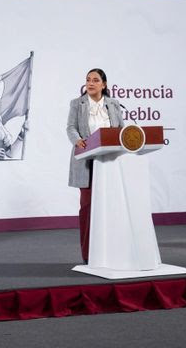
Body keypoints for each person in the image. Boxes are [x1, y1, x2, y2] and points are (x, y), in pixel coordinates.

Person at [66, 68, 124, 264]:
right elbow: (71, 127)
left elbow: (121, 130)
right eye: (88, 80)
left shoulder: (114, 104)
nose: (90, 83)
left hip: (110, 161)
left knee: (111, 207)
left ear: (104, 84)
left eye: (95, 80)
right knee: (88, 208)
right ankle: (89, 255)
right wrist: (77, 140)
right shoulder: (77, 103)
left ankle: (112, 252)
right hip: (87, 161)